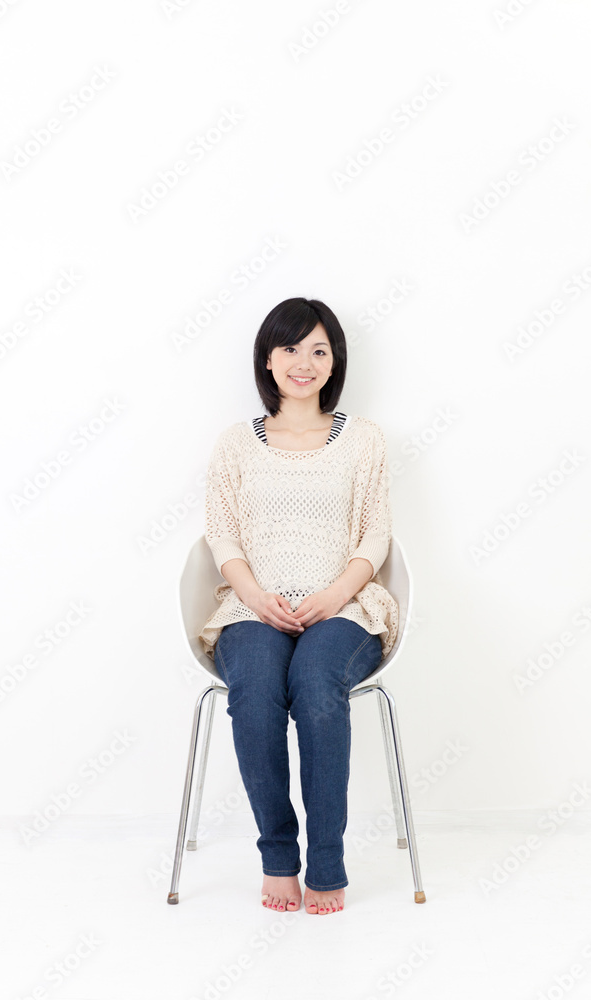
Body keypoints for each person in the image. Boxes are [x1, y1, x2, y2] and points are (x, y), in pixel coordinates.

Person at [198, 297, 399, 915]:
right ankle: (278, 858)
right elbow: (222, 534)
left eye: (318, 349)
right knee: (255, 689)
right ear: (267, 358)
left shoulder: (362, 439)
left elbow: (375, 534)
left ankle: (328, 865)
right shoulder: (236, 444)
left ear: (334, 360)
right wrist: (256, 597)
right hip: (252, 609)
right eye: (289, 348)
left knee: (315, 684)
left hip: (345, 608)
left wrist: (333, 595)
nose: (303, 362)